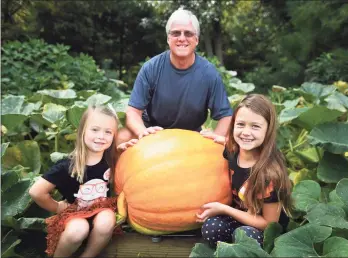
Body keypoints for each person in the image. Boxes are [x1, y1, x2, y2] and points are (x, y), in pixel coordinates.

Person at [29, 105, 137, 257]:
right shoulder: (67, 166)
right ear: (81, 132)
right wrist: (57, 207)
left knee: (107, 220)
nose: (101, 136)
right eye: (95, 130)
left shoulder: (109, 159)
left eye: (108, 132)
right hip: (75, 213)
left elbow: (126, 167)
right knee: (77, 230)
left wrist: (126, 151)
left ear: (113, 136)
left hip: (101, 208)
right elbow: (36, 192)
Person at [117, 8, 232, 144]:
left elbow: (226, 116)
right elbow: (133, 112)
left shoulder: (209, 73)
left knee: (230, 142)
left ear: (196, 40)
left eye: (188, 34)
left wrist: (214, 141)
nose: (182, 38)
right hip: (154, 132)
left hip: (191, 136)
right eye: (176, 33)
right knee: (122, 137)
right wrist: (142, 131)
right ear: (168, 38)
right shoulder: (151, 68)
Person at [196, 94, 292, 248]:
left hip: (261, 226)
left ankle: (242, 246)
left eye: (255, 126)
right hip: (240, 215)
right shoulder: (233, 152)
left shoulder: (270, 175)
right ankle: (234, 246)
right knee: (210, 228)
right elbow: (229, 143)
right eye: (240, 124)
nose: (246, 132)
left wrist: (223, 209)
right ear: (233, 126)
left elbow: (268, 223)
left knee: (247, 236)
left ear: (268, 130)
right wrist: (216, 138)